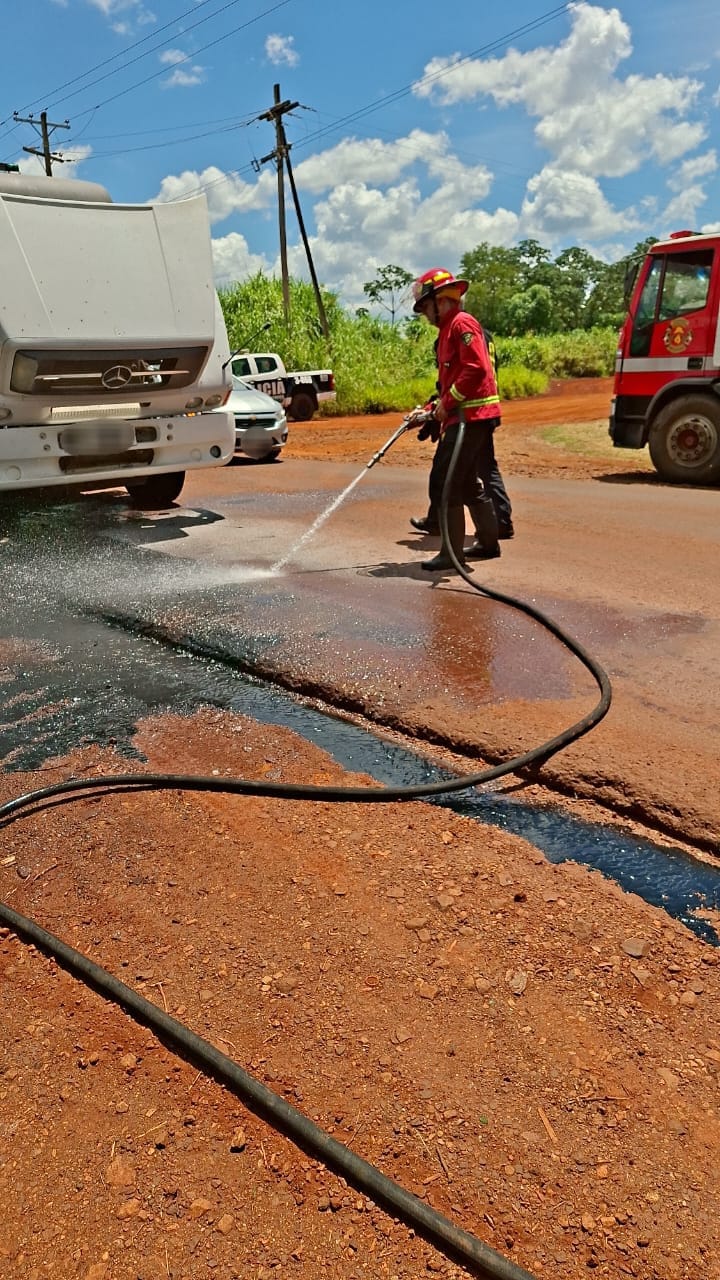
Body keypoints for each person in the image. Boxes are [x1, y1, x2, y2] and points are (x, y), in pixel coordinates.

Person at [407, 267, 505, 572]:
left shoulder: (461, 324)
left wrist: (447, 404)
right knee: (463, 481)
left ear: (441, 301)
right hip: (467, 417)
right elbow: (451, 379)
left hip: (470, 418)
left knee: (444, 480)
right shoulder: (448, 330)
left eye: (425, 307)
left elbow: (476, 369)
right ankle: (488, 543)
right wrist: (429, 408)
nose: (425, 315)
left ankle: (451, 554)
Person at [410, 328, 514, 549]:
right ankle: (495, 529)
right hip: (482, 409)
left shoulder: (458, 333)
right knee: (472, 474)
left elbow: (467, 373)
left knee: (449, 474)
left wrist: (443, 404)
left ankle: (452, 543)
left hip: (469, 414)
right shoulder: (485, 334)